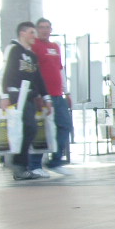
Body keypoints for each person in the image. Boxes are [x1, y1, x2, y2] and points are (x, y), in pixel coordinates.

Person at [0, 22, 52, 181]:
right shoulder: (13, 49)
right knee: (26, 128)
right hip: (16, 96)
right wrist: (4, 96)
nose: (34, 36)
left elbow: (38, 78)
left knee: (30, 129)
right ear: (22, 33)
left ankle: (21, 165)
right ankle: (19, 165)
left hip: (29, 97)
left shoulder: (32, 56)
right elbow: (4, 72)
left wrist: (45, 97)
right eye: (31, 32)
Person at [33, 17, 73, 173]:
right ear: (37, 29)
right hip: (43, 97)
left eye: (47, 27)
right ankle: (36, 164)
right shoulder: (34, 46)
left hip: (58, 96)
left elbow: (60, 70)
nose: (44, 30)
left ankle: (55, 160)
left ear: (51, 29)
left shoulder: (55, 47)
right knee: (42, 130)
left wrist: (66, 91)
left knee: (65, 126)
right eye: (41, 27)